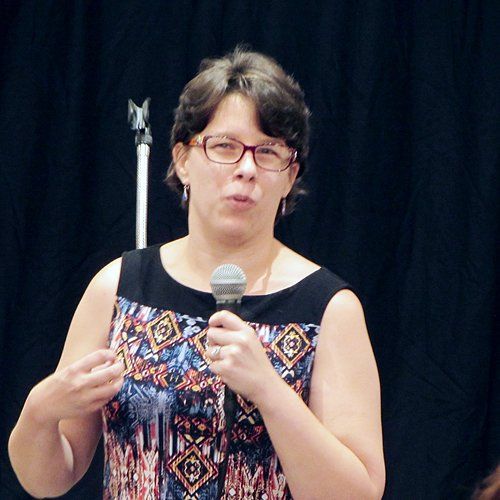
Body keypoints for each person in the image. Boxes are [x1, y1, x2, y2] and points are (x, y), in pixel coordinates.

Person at [8, 47, 385, 499]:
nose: (246, 169)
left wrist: (269, 391)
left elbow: (358, 493)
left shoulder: (329, 309)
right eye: (225, 146)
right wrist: (40, 410)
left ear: (290, 176)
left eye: (268, 152)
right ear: (183, 160)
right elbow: (47, 479)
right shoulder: (118, 286)